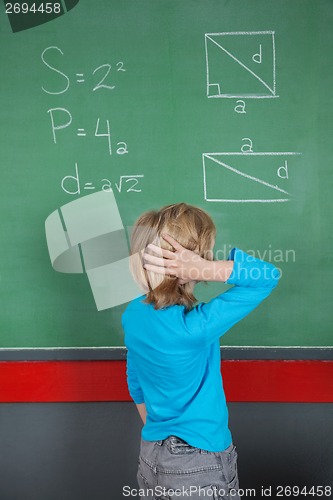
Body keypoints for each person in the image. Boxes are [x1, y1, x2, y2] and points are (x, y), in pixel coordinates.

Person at [122, 203, 280, 499]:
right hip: (199, 460)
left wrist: (164, 430)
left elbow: (135, 382)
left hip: (151, 454)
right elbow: (266, 276)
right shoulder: (195, 328)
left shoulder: (133, 315)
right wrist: (204, 268)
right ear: (185, 263)